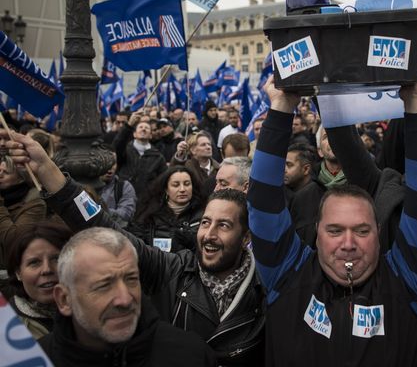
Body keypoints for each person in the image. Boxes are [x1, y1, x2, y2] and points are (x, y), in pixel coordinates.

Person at [5, 134, 266, 366]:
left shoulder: (266, 284)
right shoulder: (172, 269)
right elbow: (101, 224)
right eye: (205, 222)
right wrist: (48, 171)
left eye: (223, 226)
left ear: (245, 237)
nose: (209, 235)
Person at [247, 73, 417, 366]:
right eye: (335, 230)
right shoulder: (288, 274)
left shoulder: (408, 282)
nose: (348, 243)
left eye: (362, 230)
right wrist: (281, 107)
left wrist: (416, 103)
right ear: (317, 232)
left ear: (378, 232)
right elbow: (262, 200)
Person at [38, 227, 216, 366]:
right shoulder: (32, 359)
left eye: (131, 280)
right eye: (104, 285)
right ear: (64, 299)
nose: (124, 299)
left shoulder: (191, 355)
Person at [6, 221, 72, 339]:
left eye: (56, 259)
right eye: (34, 262)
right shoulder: (7, 329)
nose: (46, 269)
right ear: (18, 273)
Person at [129, 165, 206, 253]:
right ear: (166, 189)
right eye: (176, 185)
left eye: (187, 184)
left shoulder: (204, 214)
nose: (182, 189)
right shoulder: (149, 216)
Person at [112, 111, 167, 197]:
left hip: (146, 199)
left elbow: (163, 179)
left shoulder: (158, 157)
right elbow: (116, 146)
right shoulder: (125, 150)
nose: (143, 129)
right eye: (140, 127)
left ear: (150, 136)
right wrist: (129, 125)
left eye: (147, 128)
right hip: (123, 195)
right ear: (134, 134)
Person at [99, 151, 137, 228]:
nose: (110, 167)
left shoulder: (124, 186)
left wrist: (99, 211)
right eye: (105, 162)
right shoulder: (86, 186)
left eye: (113, 163)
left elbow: (126, 214)